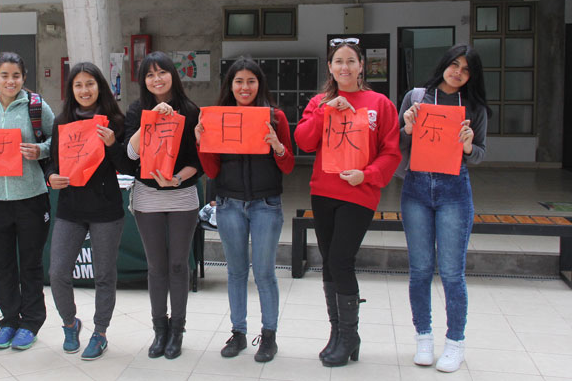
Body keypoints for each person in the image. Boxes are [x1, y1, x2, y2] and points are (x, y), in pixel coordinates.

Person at [294, 38, 401, 368]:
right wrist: (326, 110)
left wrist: (367, 175)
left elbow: (392, 152)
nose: (344, 67)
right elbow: (304, 140)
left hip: (358, 193)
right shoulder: (319, 102)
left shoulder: (379, 104)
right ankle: (338, 334)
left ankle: (350, 335)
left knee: (341, 259)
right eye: (338, 61)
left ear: (361, 66)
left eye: (350, 61)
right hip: (323, 192)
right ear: (330, 67)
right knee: (328, 261)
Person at [195, 57, 295, 363]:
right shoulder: (218, 118)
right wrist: (202, 143)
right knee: (236, 272)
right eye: (238, 81)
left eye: (251, 81)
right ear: (230, 85)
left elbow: (289, 165)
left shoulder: (275, 117)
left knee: (264, 272)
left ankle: (269, 336)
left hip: (266, 204)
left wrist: (276, 144)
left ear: (259, 84)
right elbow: (212, 171)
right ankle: (238, 332)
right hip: (229, 204)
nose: (245, 87)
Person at [398, 44, 489, 373]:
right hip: (417, 188)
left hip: (454, 191)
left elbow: (480, 153)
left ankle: (455, 343)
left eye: (466, 69)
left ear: (471, 76)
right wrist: (407, 126)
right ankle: (423, 337)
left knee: (452, 273)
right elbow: (395, 143)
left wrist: (467, 146)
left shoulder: (474, 107)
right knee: (420, 270)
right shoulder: (417, 97)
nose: (458, 73)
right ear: (444, 65)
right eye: (454, 65)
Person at [45, 62, 133, 361]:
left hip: (106, 209)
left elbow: (128, 167)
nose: (84, 90)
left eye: (90, 84)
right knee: (57, 272)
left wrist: (112, 145)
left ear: (100, 87)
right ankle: (70, 324)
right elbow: (53, 162)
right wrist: (51, 176)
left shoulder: (116, 122)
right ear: (71, 90)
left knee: (105, 275)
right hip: (70, 208)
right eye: (78, 85)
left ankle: (100, 332)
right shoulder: (61, 122)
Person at [0, 52, 55, 351]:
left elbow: (56, 140)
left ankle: (31, 322)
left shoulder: (36, 106)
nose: (10, 81)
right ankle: (8, 320)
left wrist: (40, 150)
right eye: (4, 75)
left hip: (31, 198)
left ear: (24, 78)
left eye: (16, 76)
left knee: (30, 264)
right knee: (3, 265)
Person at [124, 52, 202, 359]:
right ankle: (160, 330)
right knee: (156, 266)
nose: (157, 79)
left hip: (182, 195)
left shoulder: (191, 110)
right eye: (150, 75)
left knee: (178, 265)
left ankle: (177, 331)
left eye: (162, 73)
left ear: (173, 75)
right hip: (148, 196)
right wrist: (151, 120)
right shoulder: (136, 110)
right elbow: (129, 156)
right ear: (143, 81)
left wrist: (179, 180)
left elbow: (200, 158)